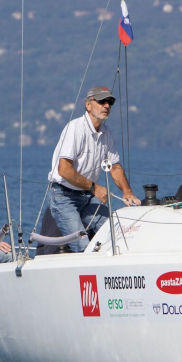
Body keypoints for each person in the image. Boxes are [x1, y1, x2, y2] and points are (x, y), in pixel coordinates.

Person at [47, 86, 141, 252]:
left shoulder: (106, 133)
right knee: (83, 246)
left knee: (117, 233)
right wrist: (94, 187)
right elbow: (64, 170)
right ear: (88, 105)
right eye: (101, 101)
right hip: (63, 196)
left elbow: (114, 166)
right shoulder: (75, 128)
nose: (107, 105)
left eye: (110, 102)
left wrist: (127, 192)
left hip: (87, 197)